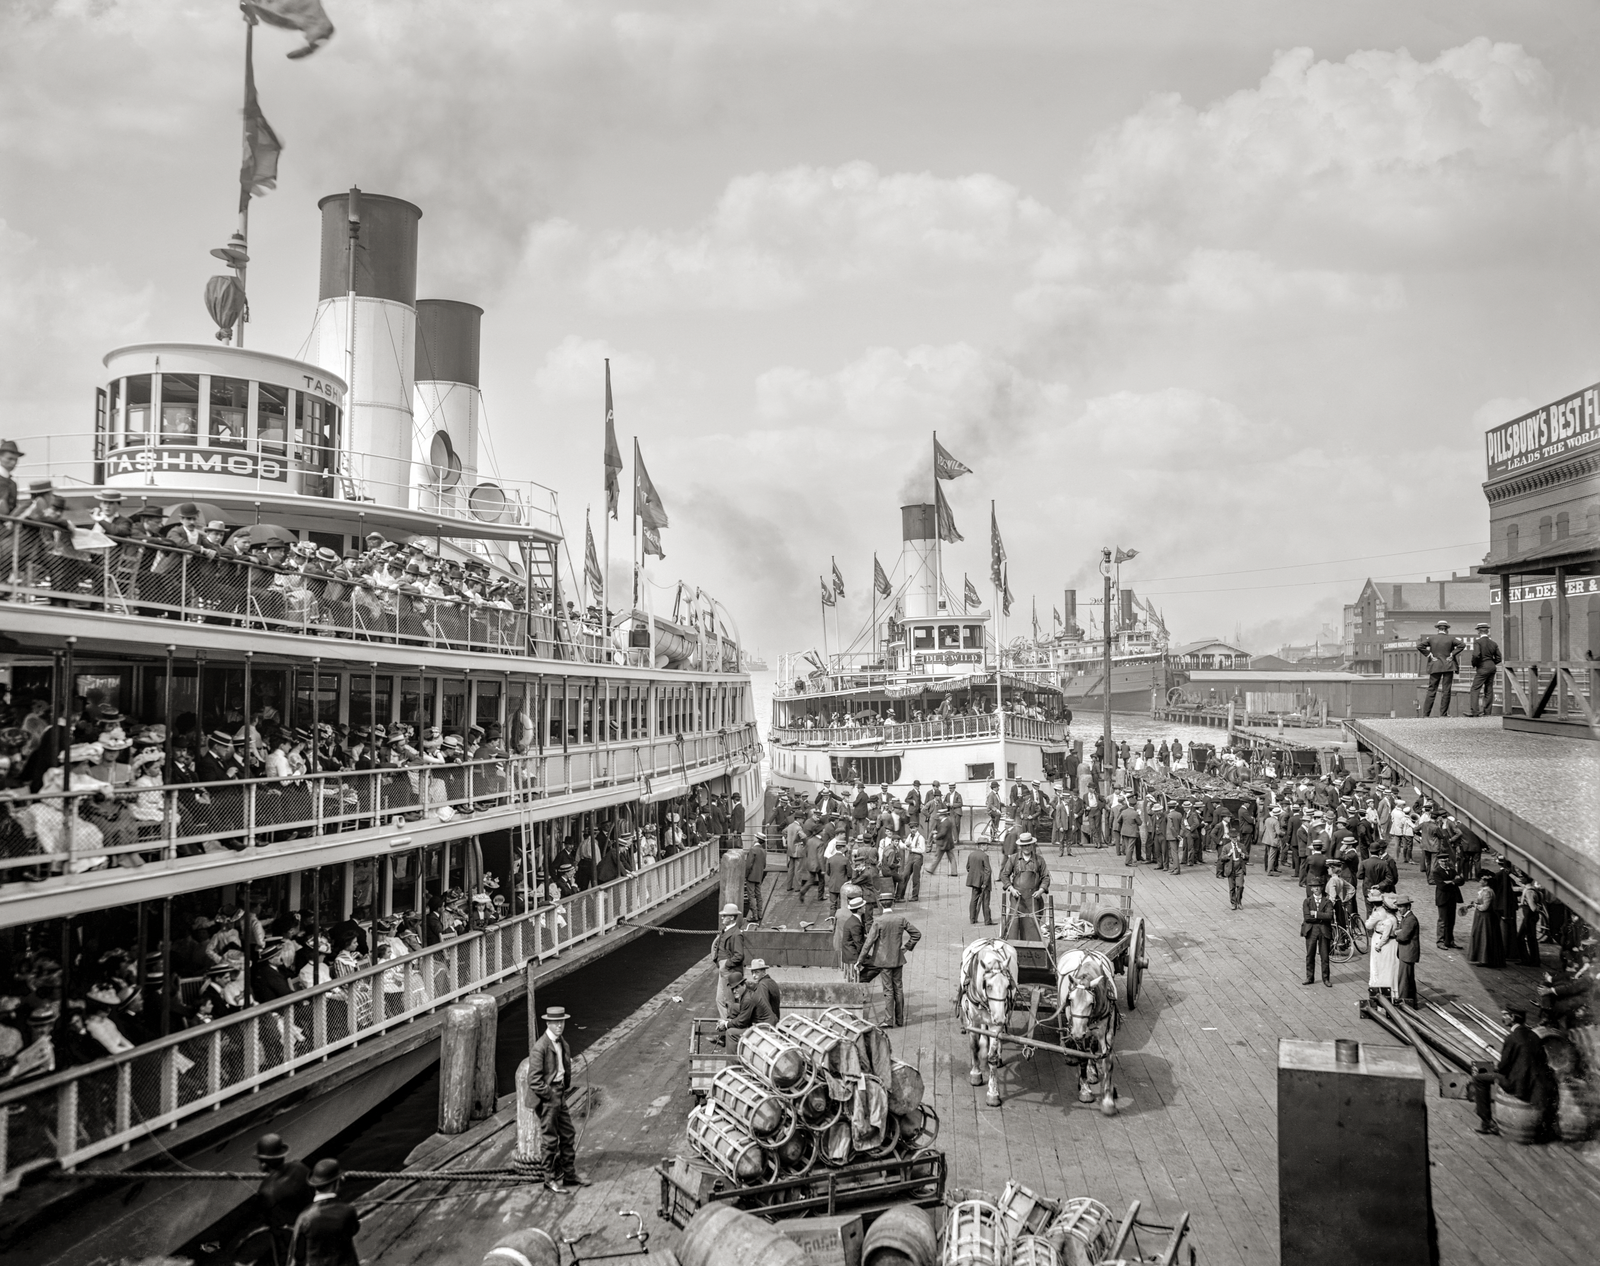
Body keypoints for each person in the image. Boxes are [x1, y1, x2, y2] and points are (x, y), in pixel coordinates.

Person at [528, 1006, 590, 1192]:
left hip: (560, 1092)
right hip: (549, 1096)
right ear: (548, 1023)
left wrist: (562, 1089)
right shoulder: (540, 1047)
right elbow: (534, 1080)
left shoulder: (562, 1042)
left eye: (561, 1022)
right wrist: (549, 1095)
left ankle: (569, 1175)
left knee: (568, 1134)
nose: (559, 1026)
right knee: (549, 1140)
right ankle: (549, 1179)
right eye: (555, 1022)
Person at [1471, 1007, 1554, 1137]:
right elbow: (1543, 1060)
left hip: (1518, 1085)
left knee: (1479, 1079)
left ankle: (1487, 1122)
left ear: (1513, 1018)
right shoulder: (1534, 1035)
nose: (1503, 1017)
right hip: (1536, 1084)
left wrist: (1497, 1069)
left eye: (1505, 1015)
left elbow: (1503, 1066)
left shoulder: (1512, 1038)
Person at [855, 896, 921, 1027]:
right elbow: (916, 934)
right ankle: (900, 1019)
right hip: (897, 959)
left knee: (888, 990)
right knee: (899, 988)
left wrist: (860, 961)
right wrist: (907, 947)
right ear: (893, 903)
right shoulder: (900, 919)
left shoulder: (878, 921)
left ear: (880, 904)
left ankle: (888, 1020)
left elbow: (868, 943)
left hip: (883, 961)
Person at [253, 1133, 314, 1263]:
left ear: (263, 1163)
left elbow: (271, 1223)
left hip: (294, 1237)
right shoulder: (299, 1166)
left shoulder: (266, 1191)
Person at [288, 1159, 361, 1266]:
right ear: (337, 1182)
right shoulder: (348, 1211)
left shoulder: (304, 1218)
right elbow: (354, 1229)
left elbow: (296, 1255)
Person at [1416, 619, 1464, 717]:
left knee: (1431, 690)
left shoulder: (1431, 639)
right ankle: (1443, 714)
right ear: (1446, 629)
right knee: (1446, 690)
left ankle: (1426, 714)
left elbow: (1419, 646)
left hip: (1435, 666)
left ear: (1438, 629)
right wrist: (1452, 654)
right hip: (1448, 666)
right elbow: (1462, 645)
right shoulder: (1451, 639)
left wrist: (1429, 654)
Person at [711, 903, 746, 1021]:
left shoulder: (736, 934)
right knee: (720, 999)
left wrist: (726, 964)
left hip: (729, 971)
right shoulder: (725, 931)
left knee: (729, 1000)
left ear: (731, 917)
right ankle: (725, 1024)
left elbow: (739, 955)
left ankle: (729, 1026)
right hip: (724, 969)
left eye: (724, 916)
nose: (722, 918)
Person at [1467, 872, 1505, 968]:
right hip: (1482, 917)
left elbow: (1485, 907)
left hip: (1485, 918)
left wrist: (1476, 905)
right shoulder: (1485, 891)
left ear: (1486, 882)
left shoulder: (1487, 892)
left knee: (1485, 937)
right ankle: (1483, 958)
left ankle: (1485, 959)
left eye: (1481, 880)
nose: (1480, 881)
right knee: (1483, 937)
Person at [1366, 892, 1399, 999]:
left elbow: (1368, 925)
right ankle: (1392, 990)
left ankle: (1380, 989)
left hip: (1381, 939)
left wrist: (1379, 945)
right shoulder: (1394, 916)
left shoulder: (1379, 914)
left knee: (1378, 965)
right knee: (1391, 966)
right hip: (1393, 943)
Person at [1392, 894, 1421, 1008]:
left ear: (1408, 907)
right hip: (1407, 953)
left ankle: (1402, 1003)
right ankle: (1412, 1002)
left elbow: (1403, 936)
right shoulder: (1406, 918)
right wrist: (1399, 932)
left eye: (1401, 907)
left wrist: (1396, 934)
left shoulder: (1410, 920)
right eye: (1398, 906)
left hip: (1407, 953)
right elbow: (1401, 931)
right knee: (1409, 980)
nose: (1399, 909)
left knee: (1404, 980)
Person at [1302, 887, 1335, 987]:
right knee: (1310, 954)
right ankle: (1309, 977)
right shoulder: (1307, 901)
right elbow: (1307, 917)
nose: (1316, 889)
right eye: (1314, 887)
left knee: (1324, 955)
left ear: (1321, 888)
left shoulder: (1327, 901)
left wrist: (1315, 914)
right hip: (1311, 930)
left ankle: (1326, 978)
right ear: (1311, 889)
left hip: (1323, 930)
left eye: (1318, 887)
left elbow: (1329, 916)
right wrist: (1321, 917)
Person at [1468, 621, 1501, 717]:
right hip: (1492, 667)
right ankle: (1487, 712)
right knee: (1489, 689)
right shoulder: (1493, 643)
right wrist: (1491, 663)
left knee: (1475, 689)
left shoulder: (1478, 642)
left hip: (1482, 668)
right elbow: (1499, 658)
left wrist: (1474, 664)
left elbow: (1476, 655)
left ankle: (1475, 711)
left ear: (1479, 631)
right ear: (1487, 631)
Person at [1432, 862, 1463, 949]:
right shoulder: (1436, 871)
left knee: (1451, 921)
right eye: (1443, 861)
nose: (1445, 863)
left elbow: (1461, 881)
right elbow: (1442, 885)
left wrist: (1450, 882)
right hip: (1442, 899)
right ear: (1439, 861)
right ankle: (1440, 941)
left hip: (1452, 898)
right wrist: (1454, 881)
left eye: (1446, 861)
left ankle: (1449, 941)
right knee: (1442, 921)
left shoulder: (1452, 870)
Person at [965, 840, 993, 925]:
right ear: (982, 845)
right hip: (983, 882)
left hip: (974, 881)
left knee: (974, 900)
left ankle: (972, 919)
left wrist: (975, 875)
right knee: (986, 901)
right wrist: (985, 882)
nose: (988, 847)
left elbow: (968, 867)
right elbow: (988, 870)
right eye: (986, 845)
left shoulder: (971, 854)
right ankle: (987, 920)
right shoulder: (984, 856)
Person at [834, 895, 865, 972]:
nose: (865, 907)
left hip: (849, 952)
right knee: (875, 965)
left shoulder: (853, 919)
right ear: (859, 909)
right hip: (853, 954)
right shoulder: (855, 924)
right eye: (863, 906)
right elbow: (858, 942)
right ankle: (862, 978)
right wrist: (864, 955)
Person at [1221, 833, 1246, 911]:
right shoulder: (1226, 847)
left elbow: (1247, 856)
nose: (1234, 839)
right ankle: (1233, 903)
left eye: (1235, 837)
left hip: (1239, 868)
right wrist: (1229, 854)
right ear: (1230, 838)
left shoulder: (1242, 846)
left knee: (1240, 886)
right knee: (1232, 887)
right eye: (1233, 838)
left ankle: (1239, 901)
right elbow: (1222, 858)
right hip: (1231, 869)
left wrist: (1242, 854)